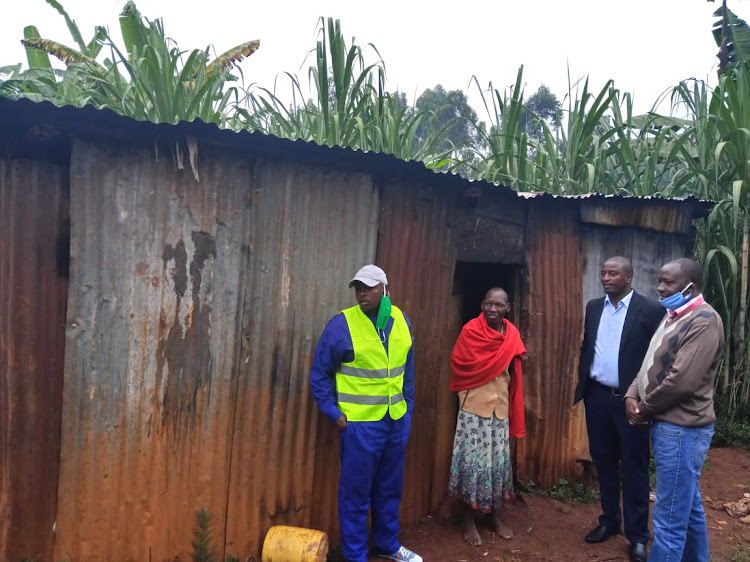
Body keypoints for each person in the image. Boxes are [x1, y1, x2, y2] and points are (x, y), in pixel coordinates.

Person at [309, 265, 422, 562]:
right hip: (358, 426)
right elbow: (320, 375)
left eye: (369, 287)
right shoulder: (341, 325)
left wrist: (407, 408)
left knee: (389, 489)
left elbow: (406, 371)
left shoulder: (401, 320)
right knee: (355, 494)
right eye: (358, 287)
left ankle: (388, 545)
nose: (362, 292)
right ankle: (356, 556)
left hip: (396, 421)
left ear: (385, 289)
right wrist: (334, 414)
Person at [625, 258, 724, 562]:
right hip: (670, 426)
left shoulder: (704, 320)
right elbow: (650, 362)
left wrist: (644, 407)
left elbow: (682, 381)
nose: (660, 287)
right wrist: (631, 393)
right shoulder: (674, 316)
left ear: (690, 286)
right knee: (688, 506)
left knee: (669, 520)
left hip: (682, 429)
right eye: (660, 280)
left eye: (668, 282)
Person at [575, 256, 665, 562]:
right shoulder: (593, 307)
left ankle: (638, 536)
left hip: (632, 402)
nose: (605, 277)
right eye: (603, 273)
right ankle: (610, 521)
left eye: (613, 273)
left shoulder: (651, 309)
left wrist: (644, 396)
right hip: (598, 397)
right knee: (604, 462)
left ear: (628, 277)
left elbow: (660, 355)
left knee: (635, 466)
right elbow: (589, 348)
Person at [448, 287, 527, 546]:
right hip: (474, 409)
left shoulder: (511, 335)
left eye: (499, 305)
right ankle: (468, 518)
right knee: (474, 463)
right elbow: (459, 365)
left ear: (508, 308)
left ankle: (491, 514)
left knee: (494, 464)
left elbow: (515, 369)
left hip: (500, 409)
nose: (493, 309)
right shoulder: (471, 331)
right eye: (489, 304)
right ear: (482, 304)